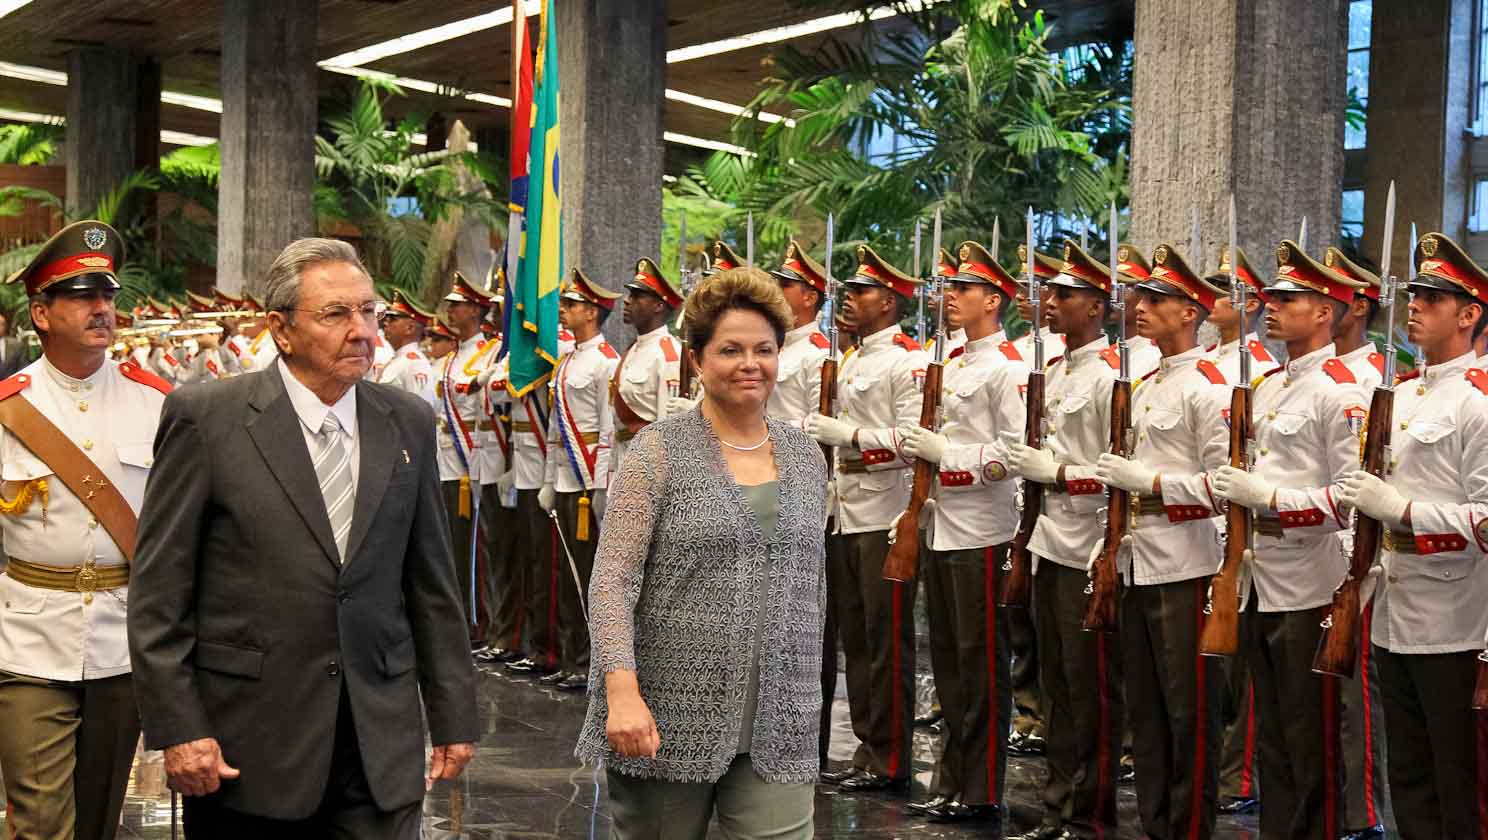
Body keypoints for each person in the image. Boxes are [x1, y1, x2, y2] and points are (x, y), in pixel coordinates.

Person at [128, 237, 478, 835]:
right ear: (281, 329)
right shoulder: (208, 419)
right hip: (250, 747)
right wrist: (179, 729)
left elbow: (432, 585)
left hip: (378, 744)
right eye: (336, 314)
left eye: (369, 311)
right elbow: (159, 592)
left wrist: (453, 714)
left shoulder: (408, 421)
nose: (363, 330)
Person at [578, 266, 827, 839]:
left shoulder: (806, 457)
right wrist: (621, 692)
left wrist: (806, 696)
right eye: (730, 349)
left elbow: (810, 591)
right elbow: (612, 581)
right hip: (668, 713)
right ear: (697, 360)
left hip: (780, 717)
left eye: (764, 349)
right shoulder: (657, 452)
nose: (750, 363)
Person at [0, 221, 169, 840]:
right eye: (81, 296)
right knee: (41, 819)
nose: (103, 309)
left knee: (98, 818)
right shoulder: (8, 408)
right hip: (26, 638)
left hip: (122, 642)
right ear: (41, 313)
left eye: (108, 295)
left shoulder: (156, 403)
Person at [1210, 241, 1369, 839]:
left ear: (1326, 311)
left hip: (1311, 581)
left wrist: (1269, 500)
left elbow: (1347, 500)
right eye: (1271, 296)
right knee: (1271, 735)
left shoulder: (1341, 391)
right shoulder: (1271, 386)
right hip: (1259, 577)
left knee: (1312, 739)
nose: (1269, 307)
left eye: (1287, 298)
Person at [1337, 231, 1488, 838]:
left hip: (1457, 619)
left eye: (1432, 296)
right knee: (1411, 782)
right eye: (1415, 294)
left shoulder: (1478, 402)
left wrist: (1401, 510)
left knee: (1461, 786)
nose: (1415, 305)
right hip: (1395, 610)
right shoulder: (1398, 395)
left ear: (1470, 314)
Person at [1094, 244, 1229, 840]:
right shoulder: (1147, 383)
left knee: (1188, 712)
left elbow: (1223, 488)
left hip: (1185, 562)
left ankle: (1189, 827)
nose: (1141, 308)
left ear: (1191, 311)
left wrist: (1147, 482)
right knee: (1144, 712)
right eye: (1141, 298)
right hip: (1137, 558)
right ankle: (1155, 824)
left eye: (1157, 300)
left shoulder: (1209, 387)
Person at [898, 239, 1027, 823]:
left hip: (983, 528)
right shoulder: (947, 362)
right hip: (940, 524)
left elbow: (1013, 453)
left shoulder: (1008, 369)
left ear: (994, 301)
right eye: (950, 288)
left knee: (981, 664)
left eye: (964, 289)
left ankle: (981, 787)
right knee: (948, 662)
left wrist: (947, 456)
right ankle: (952, 778)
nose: (950, 297)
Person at [1005, 240, 1125, 840]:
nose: (1049, 303)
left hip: (1089, 546)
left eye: (1066, 295)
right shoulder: (1052, 370)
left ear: (1098, 307)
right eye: (1050, 293)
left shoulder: (1110, 378)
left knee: (1090, 689)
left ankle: (1089, 813)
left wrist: (1055, 472)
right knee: (1054, 683)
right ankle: (1058, 806)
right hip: (1050, 540)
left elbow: (1112, 473)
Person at [805, 245, 926, 793]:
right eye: (847, 291)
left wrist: (848, 437)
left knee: (885, 639)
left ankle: (892, 756)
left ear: (891, 301)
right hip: (844, 510)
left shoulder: (909, 360)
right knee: (856, 637)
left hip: (885, 510)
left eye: (861, 292)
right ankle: (865, 747)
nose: (848, 300)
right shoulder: (850, 359)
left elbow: (911, 442)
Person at [1319, 245, 1389, 840]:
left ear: (1357, 304)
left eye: (1331, 291)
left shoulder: (1369, 382)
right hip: (1296, 555)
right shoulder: (1300, 378)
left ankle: (1362, 814)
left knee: (1351, 693)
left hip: (1348, 554)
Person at [1204, 245, 1268, 816]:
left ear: (1248, 305)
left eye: (1222, 291)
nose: (1212, 300)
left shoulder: (1259, 370)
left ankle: (1240, 775)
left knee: (1242, 663)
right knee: (1215, 661)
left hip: (1243, 523)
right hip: (1208, 521)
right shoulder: (1205, 361)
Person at [537, 268, 621, 691]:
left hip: (590, 482)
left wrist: (603, 482)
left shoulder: (608, 362)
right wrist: (550, 478)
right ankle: (572, 658)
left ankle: (595, 663)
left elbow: (608, 427)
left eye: (570, 305)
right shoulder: (567, 360)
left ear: (592, 311)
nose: (564, 312)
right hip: (567, 480)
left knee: (592, 577)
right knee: (568, 575)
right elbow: (556, 428)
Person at [435, 272, 496, 647]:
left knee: (472, 547)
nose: (450, 312)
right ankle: (454, 616)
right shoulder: (453, 356)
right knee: (448, 545)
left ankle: (476, 621)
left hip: (471, 462)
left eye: (456, 306)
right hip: (446, 462)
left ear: (475, 310)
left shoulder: (487, 352)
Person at [1204, 246, 1274, 386]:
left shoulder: (1260, 367)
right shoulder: (1207, 355)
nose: (1211, 295)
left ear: (1250, 305)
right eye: (1212, 288)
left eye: (1223, 291)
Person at [375, 289, 436, 406]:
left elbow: (422, 411)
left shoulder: (415, 364)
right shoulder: (398, 359)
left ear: (410, 328)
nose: (386, 323)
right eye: (387, 319)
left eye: (393, 319)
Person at [1114, 245, 1164, 378]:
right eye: (1114, 287)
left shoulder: (1155, 356)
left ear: (1144, 296)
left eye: (1123, 287)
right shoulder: (1105, 353)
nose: (1114, 295)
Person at [0, 309, 27, 379]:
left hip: (11, 385)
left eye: (1, 324)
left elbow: (23, 366)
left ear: (5, 327)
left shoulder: (16, 345)